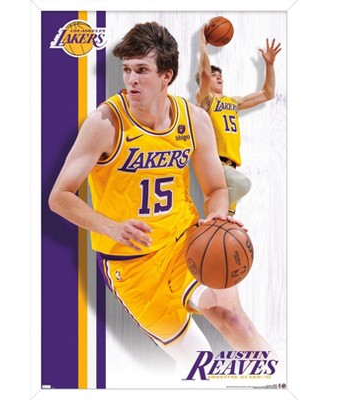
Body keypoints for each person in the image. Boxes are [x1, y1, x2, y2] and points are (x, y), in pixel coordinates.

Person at [49, 21, 276, 374]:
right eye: (127, 70)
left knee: (233, 319)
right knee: (200, 365)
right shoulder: (105, 123)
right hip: (130, 264)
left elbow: (216, 189)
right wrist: (111, 227)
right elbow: (60, 196)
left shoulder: (194, 119)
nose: (131, 80)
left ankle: (280, 383)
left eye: (142, 70)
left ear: (166, 76)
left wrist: (216, 217)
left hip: (185, 243)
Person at [196, 26, 282, 216]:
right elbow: (204, 74)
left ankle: (211, 217)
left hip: (230, 166)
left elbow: (267, 93)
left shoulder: (233, 102)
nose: (218, 76)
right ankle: (212, 212)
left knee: (225, 221)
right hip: (214, 163)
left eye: (220, 75)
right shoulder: (206, 100)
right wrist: (203, 46)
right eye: (214, 75)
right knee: (242, 184)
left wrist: (269, 64)